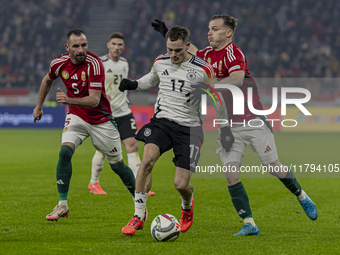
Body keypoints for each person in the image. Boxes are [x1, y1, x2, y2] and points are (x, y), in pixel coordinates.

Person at [152, 15, 318, 236]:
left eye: (215, 29)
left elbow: (237, 78)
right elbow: (187, 49)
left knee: (273, 167)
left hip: (252, 120)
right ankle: (249, 223)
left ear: (228, 33)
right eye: (209, 29)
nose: (209, 33)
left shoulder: (233, 53)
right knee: (231, 174)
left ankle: (302, 196)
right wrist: (166, 32)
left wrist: (208, 86)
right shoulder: (206, 55)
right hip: (228, 126)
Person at [119, 26, 216, 235]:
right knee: (147, 161)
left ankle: (187, 207)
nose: (173, 55)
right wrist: (134, 84)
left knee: (181, 184)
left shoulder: (203, 68)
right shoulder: (160, 61)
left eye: (178, 50)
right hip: (162, 122)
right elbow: (150, 80)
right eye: (170, 49)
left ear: (188, 47)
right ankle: (138, 215)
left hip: (190, 128)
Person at [33, 29, 136, 221]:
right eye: (76, 46)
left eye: (84, 45)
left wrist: (69, 99)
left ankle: (140, 203)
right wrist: (39, 107)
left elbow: (94, 101)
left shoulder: (95, 65)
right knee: (64, 153)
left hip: (101, 120)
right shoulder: (58, 64)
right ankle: (62, 204)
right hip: (77, 117)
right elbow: (47, 80)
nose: (81, 50)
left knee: (118, 166)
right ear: (67, 47)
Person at [88, 32, 155, 196]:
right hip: (106, 113)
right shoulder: (100, 63)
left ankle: (140, 185)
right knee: (103, 150)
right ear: (108, 45)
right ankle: (93, 183)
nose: (117, 47)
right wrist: (102, 95)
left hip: (124, 111)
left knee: (132, 146)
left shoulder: (125, 63)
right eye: (114, 44)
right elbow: (91, 84)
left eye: (120, 45)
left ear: (123, 47)